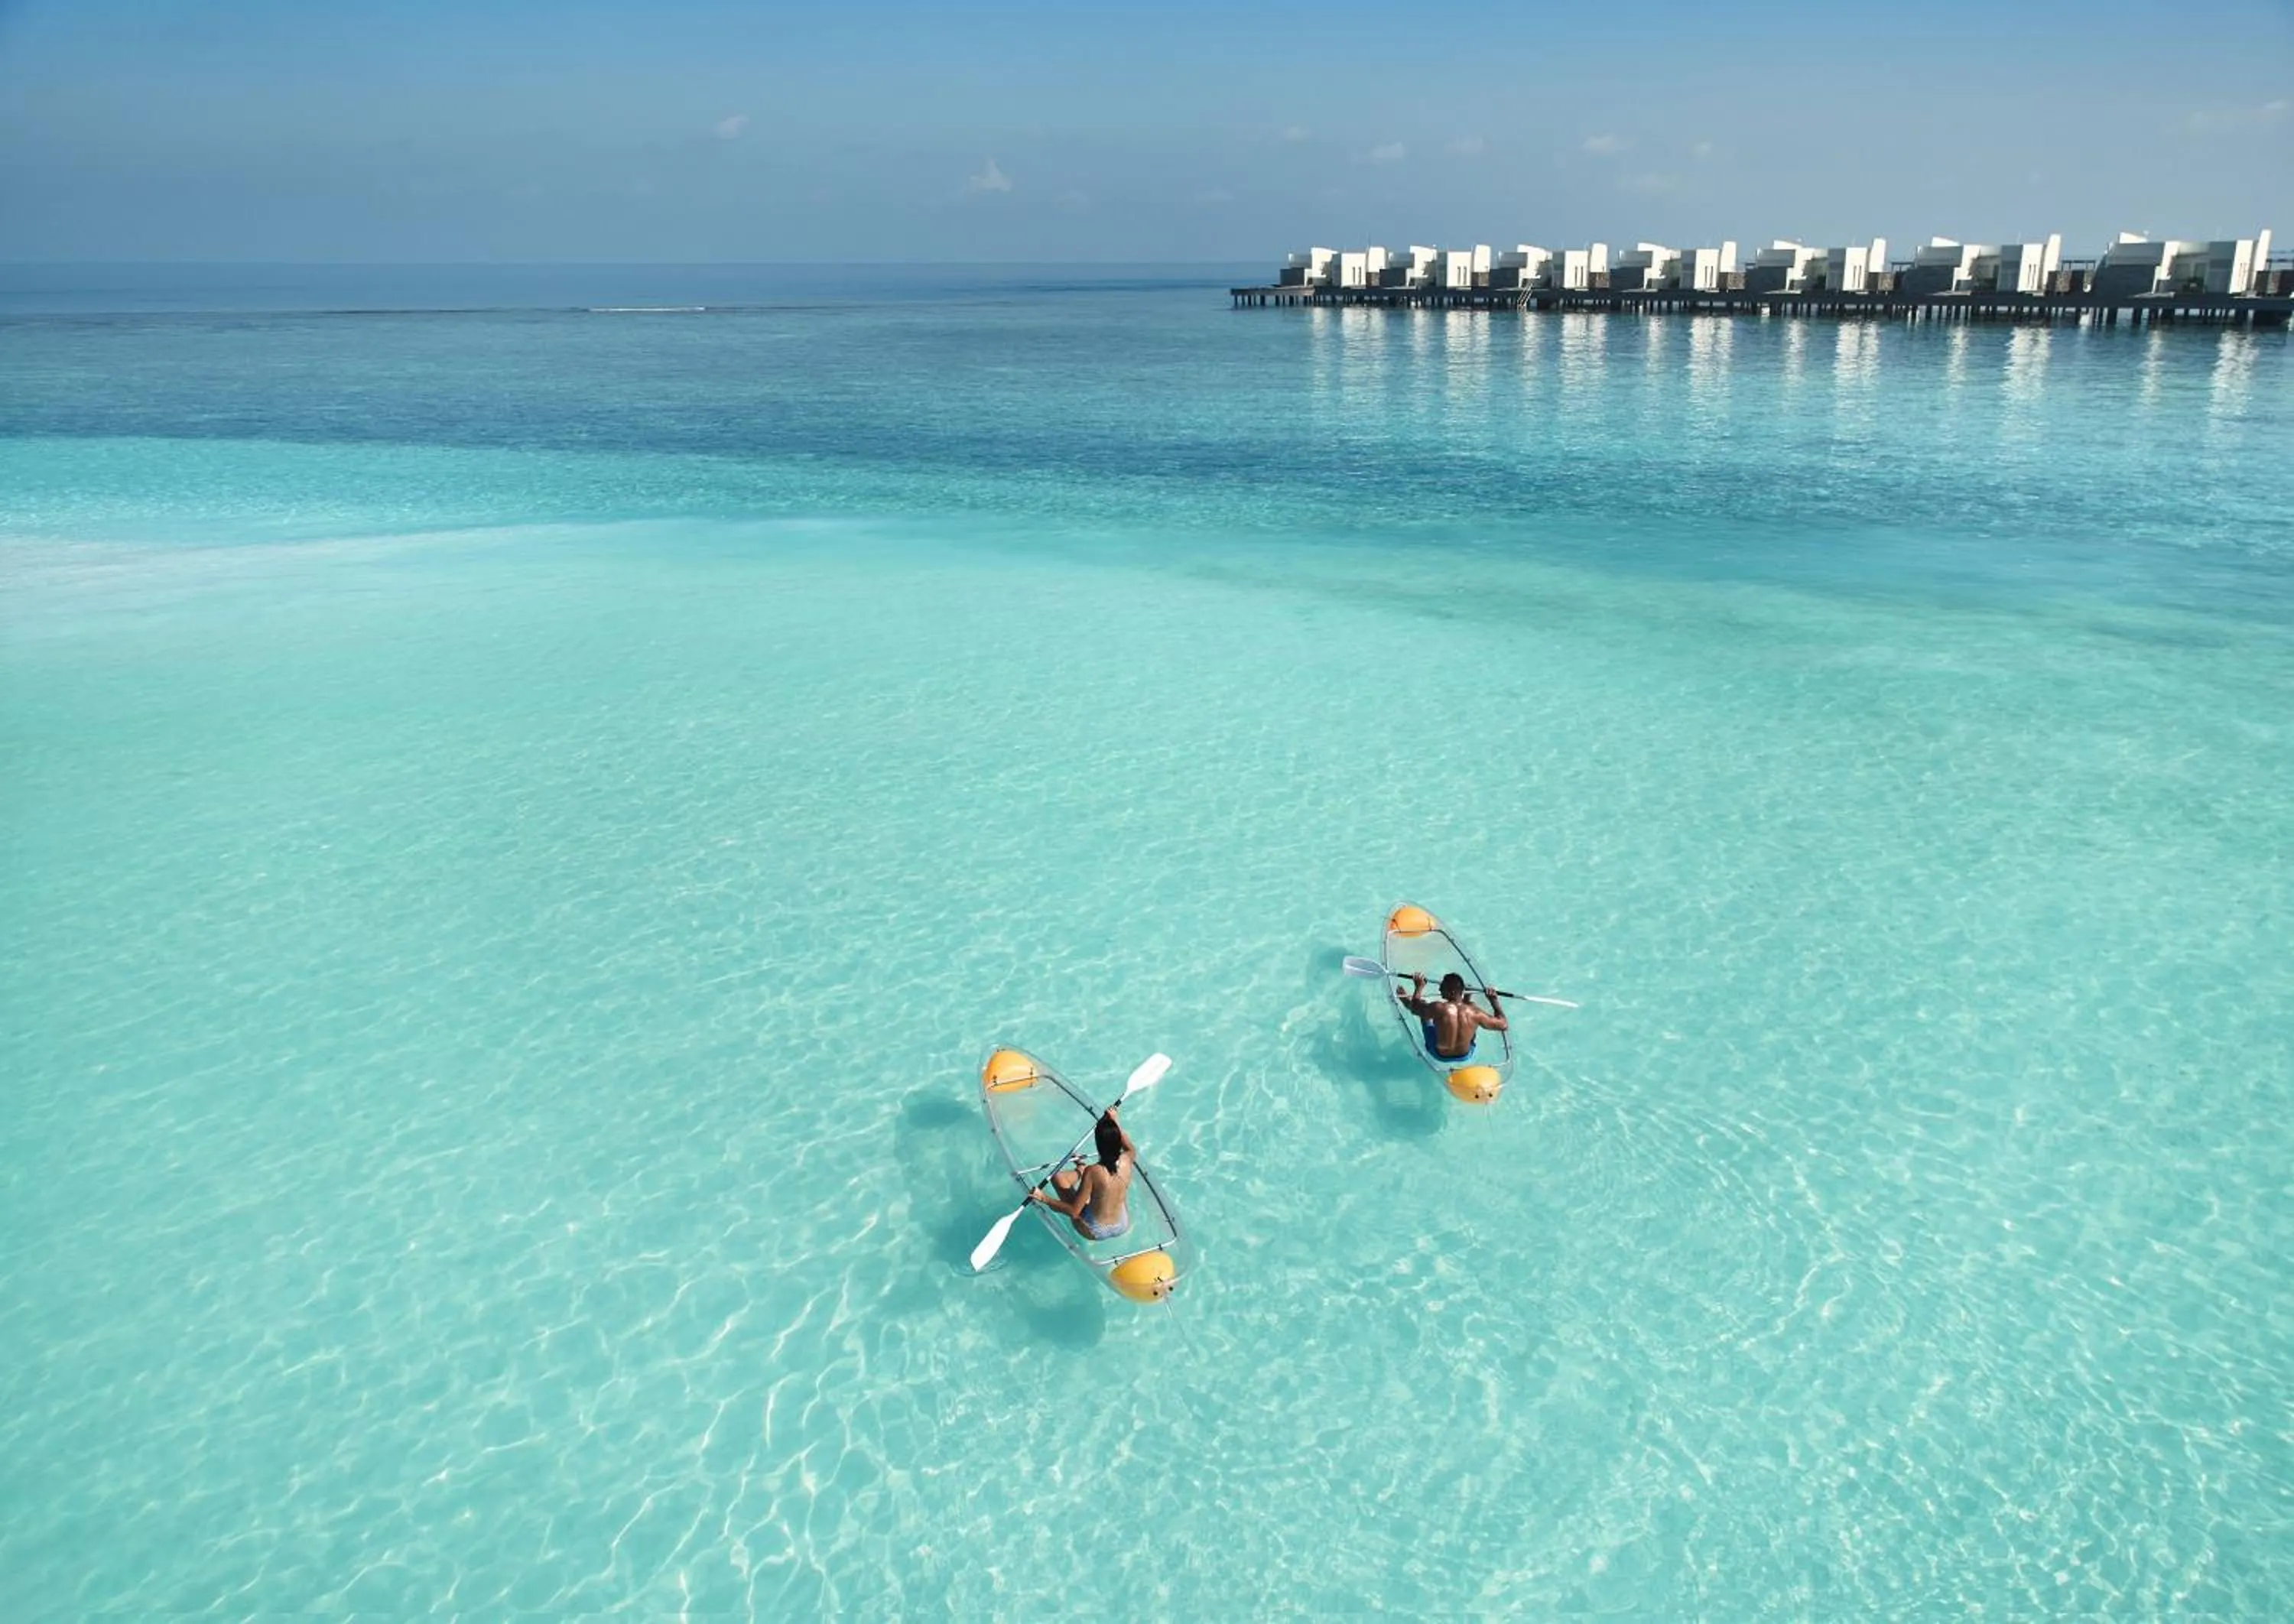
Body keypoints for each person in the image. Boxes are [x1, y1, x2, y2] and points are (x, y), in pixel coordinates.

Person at [1032, 1105, 1136, 1241]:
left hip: (1096, 1231)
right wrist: (1114, 1121)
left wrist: (1043, 1198)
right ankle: (1081, 1170)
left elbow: (1074, 1212)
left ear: (1098, 1144)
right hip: (1122, 1224)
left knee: (1058, 1177)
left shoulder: (1093, 1171)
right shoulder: (1128, 1158)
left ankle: (1080, 1170)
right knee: (1106, 1192)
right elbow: (1128, 1146)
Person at [1401, 970, 1507, 1061]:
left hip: (1439, 1055)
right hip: (1465, 1056)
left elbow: (1415, 1009)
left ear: (1452, 992)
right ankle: (1466, 999)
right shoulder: (1475, 1012)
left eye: (1442, 987)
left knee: (1424, 1010)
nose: (1439, 990)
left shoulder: (1439, 1008)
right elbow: (1503, 1025)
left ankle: (1405, 1000)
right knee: (1470, 1010)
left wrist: (1419, 987)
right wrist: (1494, 1000)